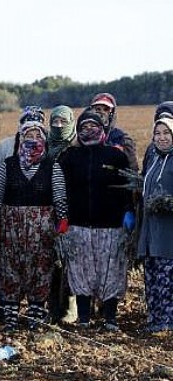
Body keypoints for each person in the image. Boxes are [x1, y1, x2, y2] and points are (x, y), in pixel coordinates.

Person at [0, 119, 68, 331]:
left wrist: (63, 219)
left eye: (38, 136)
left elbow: (59, 196)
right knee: (10, 270)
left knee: (41, 270)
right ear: (20, 138)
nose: (33, 140)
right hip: (12, 227)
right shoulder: (8, 164)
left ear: (44, 140)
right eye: (28, 136)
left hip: (42, 229)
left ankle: (35, 315)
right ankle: (10, 316)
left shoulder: (52, 166)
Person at [59, 110, 133, 331]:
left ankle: (110, 318)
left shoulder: (116, 156)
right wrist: (63, 218)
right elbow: (62, 190)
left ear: (102, 129)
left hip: (111, 226)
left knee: (110, 273)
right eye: (83, 127)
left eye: (93, 126)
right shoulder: (70, 157)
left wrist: (128, 211)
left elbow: (126, 189)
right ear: (77, 131)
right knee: (81, 273)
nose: (88, 130)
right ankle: (83, 318)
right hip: (78, 225)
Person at [0, 106, 45, 324]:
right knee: (5, 265)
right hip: (8, 214)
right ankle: (5, 308)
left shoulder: (44, 148)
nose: (31, 125)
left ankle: (35, 310)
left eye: (36, 121)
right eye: (27, 122)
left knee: (37, 265)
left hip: (38, 219)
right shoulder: (6, 147)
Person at [138, 116, 173, 336]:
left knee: (167, 279)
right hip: (151, 231)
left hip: (168, 234)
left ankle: (168, 323)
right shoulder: (153, 159)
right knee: (152, 277)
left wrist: (168, 202)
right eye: (158, 134)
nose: (162, 138)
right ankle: (155, 319)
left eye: (166, 133)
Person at [45, 106, 79, 324]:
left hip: (72, 211)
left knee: (69, 261)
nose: (58, 126)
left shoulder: (76, 148)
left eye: (62, 122)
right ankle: (52, 309)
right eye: (54, 122)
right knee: (51, 262)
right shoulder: (44, 147)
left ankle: (70, 309)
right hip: (47, 210)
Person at [89, 93, 138, 170]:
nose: (101, 113)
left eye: (106, 109)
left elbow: (132, 170)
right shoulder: (84, 138)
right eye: (98, 109)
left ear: (112, 113)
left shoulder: (122, 139)